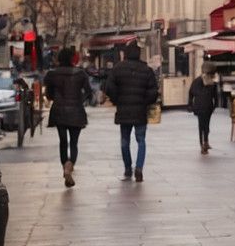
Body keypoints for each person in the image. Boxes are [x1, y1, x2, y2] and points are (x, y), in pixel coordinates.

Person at [103, 43, 159, 182]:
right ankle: (139, 168)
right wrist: (144, 102)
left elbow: (109, 88)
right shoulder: (146, 70)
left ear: (126, 54)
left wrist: (118, 100)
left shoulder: (117, 69)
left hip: (124, 110)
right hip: (140, 111)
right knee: (141, 140)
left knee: (124, 141)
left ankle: (128, 169)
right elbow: (153, 92)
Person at [43, 47, 91, 188]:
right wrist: (79, 100)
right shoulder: (80, 74)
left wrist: (56, 98)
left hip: (59, 111)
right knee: (74, 143)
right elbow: (89, 92)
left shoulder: (52, 74)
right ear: (71, 59)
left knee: (63, 141)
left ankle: (65, 165)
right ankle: (70, 165)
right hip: (76, 110)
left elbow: (49, 94)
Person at [188, 61, 218, 154]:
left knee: (203, 126)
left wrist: (190, 105)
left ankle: (204, 143)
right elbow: (215, 96)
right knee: (204, 126)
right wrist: (214, 105)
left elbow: (191, 93)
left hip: (202, 107)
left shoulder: (197, 81)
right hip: (205, 107)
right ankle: (204, 144)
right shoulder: (210, 82)